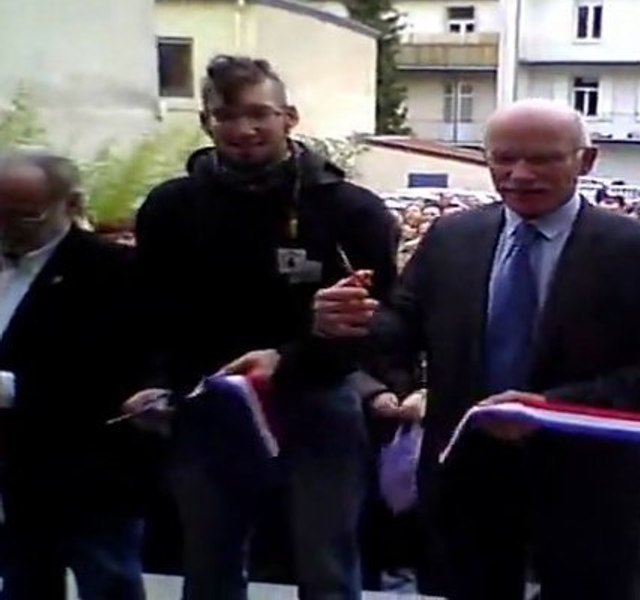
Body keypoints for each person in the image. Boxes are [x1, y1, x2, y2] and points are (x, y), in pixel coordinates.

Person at [313, 99, 640, 600]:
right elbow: (403, 325)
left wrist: (555, 409)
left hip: (587, 481)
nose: (520, 174)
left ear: (586, 160)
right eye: (504, 158)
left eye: (542, 160)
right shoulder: (455, 236)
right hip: (466, 472)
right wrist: (349, 320)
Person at [126, 55, 400, 599]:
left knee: (326, 562)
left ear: (290, 117)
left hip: (318, 399)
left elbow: (379, 323)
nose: (244, 129)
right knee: (208, 559)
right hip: (205, 402)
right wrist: (150, 380)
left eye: (259, 114)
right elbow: (147, 311)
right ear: (206, 122)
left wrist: (293, 357)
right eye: (226, 115)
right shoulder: (169, 207)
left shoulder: (351, 211)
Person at [0, 151, 153, 600]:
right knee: (24, 579)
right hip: (15, 463)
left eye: (24, 217)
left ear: (71, 205)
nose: (6, 228)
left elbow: (109, 369)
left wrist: (11, 389)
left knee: (107, 577)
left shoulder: (111, 271)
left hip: (90, 461)